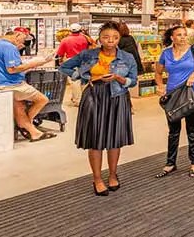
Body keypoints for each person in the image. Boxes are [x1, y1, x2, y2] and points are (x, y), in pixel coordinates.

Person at [59, 22, 138, 196]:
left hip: (118, 97)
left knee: (115, 138)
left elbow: (133, 80)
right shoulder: (88, 54)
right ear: (99, 38)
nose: (110, 41)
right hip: (94, 96)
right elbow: (64, 67)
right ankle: (97, 178)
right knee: (95, 138)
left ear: (119, 39)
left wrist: (118, 78)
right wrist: (85, 76)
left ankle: (112, 174)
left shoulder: (127, 57)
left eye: (115, 37)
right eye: (106, 37)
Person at [155, 25, 194, 179]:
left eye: (184, 34)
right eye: (179, 35)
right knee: (173, 131)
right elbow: (158, 72)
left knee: (192, 129)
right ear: (172, 38)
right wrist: (160, 86)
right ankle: (170, 163)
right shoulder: (166, 53)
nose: (183, 37)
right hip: (172, 96)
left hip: (191, 95)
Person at [0, 29, 56, 142]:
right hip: (10, 84)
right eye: (23, 38)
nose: (24, 42)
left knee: (19, 107)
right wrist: (35, 63)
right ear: (17, 35)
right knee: (42, 99)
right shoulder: (9, 47)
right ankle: (27, 124)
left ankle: (33, 132)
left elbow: (1, 63)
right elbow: (12, 69)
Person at [56, 23, 93, 105]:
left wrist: (60, 61)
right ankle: (85, 99)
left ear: (70, 30)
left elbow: (60, 53)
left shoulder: (65, 40)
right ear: (80, 30)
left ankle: (78, 100)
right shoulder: (86, 38)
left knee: (75, 80)